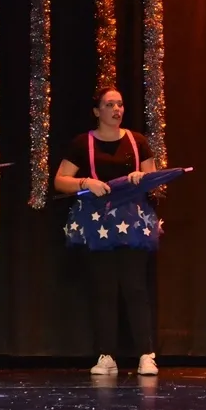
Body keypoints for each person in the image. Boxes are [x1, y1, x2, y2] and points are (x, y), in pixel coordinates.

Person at [54, 86, 160, 376]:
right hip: (97, 225)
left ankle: (146, 354)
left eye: (120, 104)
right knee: (104, 288)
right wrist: (85, 182)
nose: (117, 109)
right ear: (96, 111)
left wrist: (142, 178)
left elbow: (154, 179)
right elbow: (60, 180)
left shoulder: (137, 141)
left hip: (132, 224)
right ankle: (106, 355)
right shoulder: (82, 143)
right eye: (110, 104)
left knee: (135, 287)